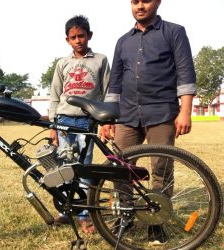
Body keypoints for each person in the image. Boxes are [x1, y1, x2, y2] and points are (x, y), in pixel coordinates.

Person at [100, 0, 196, 244]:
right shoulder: (123, 41)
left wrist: (185, 111)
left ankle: (157, 221)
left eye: (145, 0)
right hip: (127, 114)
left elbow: (185, 71)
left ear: (158, 2)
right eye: (134, 1)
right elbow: (115, 83)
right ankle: (126, 214)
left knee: (162, 169)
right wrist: (108, 118)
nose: (139, 6)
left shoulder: (174, 32)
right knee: (120, 167)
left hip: (162, 111)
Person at [49, 15, 110, 234]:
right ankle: (66, 211)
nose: (78, 40)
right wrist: (53, 126)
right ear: (67, 40)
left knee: (84, 167)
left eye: (81, 36)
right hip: (64, 120)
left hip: (87, 121)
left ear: (89, 35)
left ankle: (84, 215)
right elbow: (55, 96)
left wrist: (106, 122)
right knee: (66, 168)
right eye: (73, 37)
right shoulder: (62, 64)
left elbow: (107, 92)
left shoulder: (100, 60)